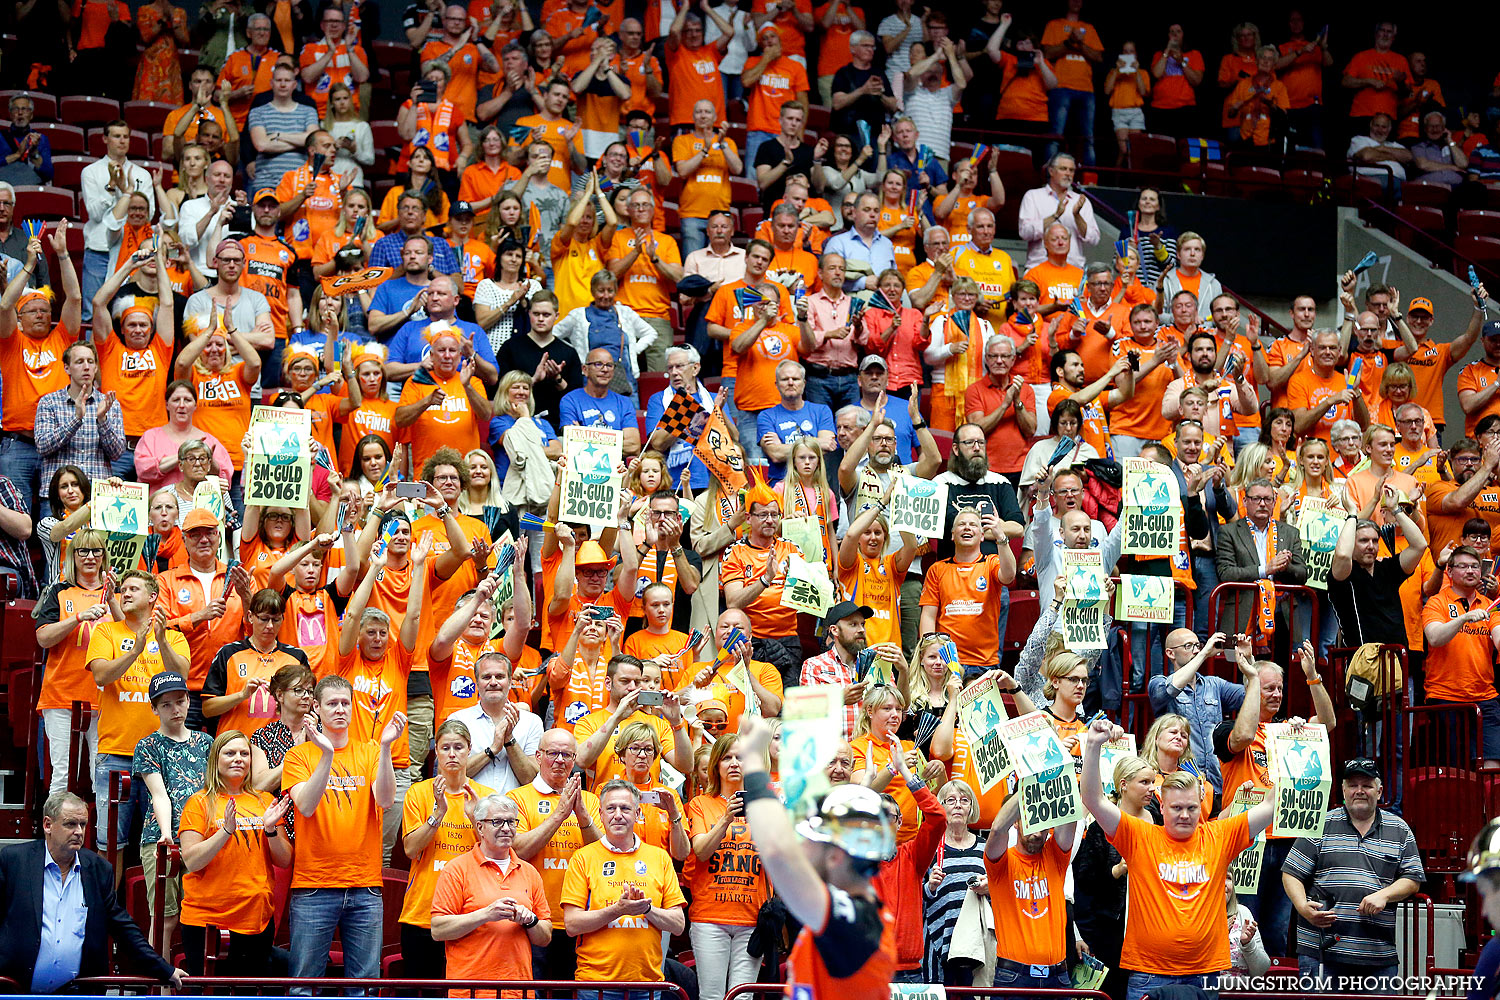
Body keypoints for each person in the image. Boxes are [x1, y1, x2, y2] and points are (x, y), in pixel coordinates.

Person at [1081, 716, 1274, 1000]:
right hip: (1148, 974)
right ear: (1162, 804)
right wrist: (1094, 745)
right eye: (1176, 808)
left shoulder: (1220, 835)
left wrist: (1284, 742)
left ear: (1201, 804)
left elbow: (1273, 803)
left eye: (1192, 807)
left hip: (1204, 974)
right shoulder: (1140, 836)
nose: (1184, 815)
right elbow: (1093, 800)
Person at [737, 714, 897, 995]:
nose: (803, 844)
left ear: (835, 856)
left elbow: (777, 852)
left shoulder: (854, 920)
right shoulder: (855, 911)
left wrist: (752, 759)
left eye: (812, 838)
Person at [1214, 637, 1337, 957]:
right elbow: (1241, 737)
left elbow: (1328, 723)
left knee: (1278, 930)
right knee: (1242, 926)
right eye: (1268, 688)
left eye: (1280, 688)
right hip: (1245, 842)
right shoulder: (1227, 728)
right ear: (1251, 688)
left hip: (1287, 840)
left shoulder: (1287, 728)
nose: (1277, 694)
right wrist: (1252, 677)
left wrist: (1312, 676)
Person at [282, 676, 404, 985]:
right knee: (303, 985)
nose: (340, 709)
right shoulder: (299, 756)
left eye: (345, 703)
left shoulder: (372, 752)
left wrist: (388, 747)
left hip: (364, 886)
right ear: (317, 708)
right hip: (314, 886)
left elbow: (386, 799)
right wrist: (326, 755)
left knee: (363, 985)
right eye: (332, 703)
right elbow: (306, 807)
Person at [0, 791, 184, 992]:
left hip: (78, 992)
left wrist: (164, 969)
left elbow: (123, 928)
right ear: (47, 825)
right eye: (70, 824)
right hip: (16, 990)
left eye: (83, 824)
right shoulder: (14, 861)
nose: (79, 831)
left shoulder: (98, 869)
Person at [1281, 758, 1424, 985]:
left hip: (1378, 955)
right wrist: (1302, 907)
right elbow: (1291, 873)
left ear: (1379, 792)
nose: (1359, 791)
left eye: (1366, 785)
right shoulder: (1321, 824)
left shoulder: (1399, 829)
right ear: (1343, 790)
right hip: (1321, 952)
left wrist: (1384, 895)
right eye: (1353, 785)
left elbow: (1413, 878)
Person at [87, 571, 191, 855]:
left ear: (153, 597)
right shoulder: (106, 631)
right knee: (110, 843)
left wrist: (161, 641)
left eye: (134, 589)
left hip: (162, 752)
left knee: (160, 841)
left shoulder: (174, 637)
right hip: (115, 752)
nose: (126, 594)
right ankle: (106, 902)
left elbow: (181, 677)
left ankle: (153, 901)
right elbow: (101, 675)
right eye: (123, 589)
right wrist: (136, 650)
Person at [177, 729, 293, 977]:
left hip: (256, 919)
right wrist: (225, 831)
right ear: (215, 761)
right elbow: (192, 860)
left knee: (250, 993)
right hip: (207, 921)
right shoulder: (199, 802)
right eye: (229, 753)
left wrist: (271, 828)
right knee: (210, 995)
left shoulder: (264, 801)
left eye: (244, 753)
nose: (238, 758)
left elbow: (284, 859)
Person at [561, 779, 687, 996]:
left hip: (647, 985)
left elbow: (678, 925)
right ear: (600, 814)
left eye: (625, 808)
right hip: (596, 985)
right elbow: (572, 925)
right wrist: (618, 910)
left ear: (638, 814)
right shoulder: (583, 858)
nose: (617, 815)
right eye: (611, 808)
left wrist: (646, 910)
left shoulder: (660, 857)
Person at [507, 729, 603, 982]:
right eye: (553, 753)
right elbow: (519, 851)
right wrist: (559, 814)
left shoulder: (591, 801)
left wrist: (582, 816)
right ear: (538, 756)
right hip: (533, 918)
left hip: (580, 919)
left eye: (567, 754)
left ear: (574, 760)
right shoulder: (517, 798)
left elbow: (604, 857)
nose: (560, 760)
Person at [430, 792, 553, 985]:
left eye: (511, 822)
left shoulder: (529, 872)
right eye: (497, 822)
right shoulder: (456, 869)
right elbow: (438, 930)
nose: (506, 828)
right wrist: (486, 914)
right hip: (470, 990)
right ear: (480, 827)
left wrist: (530, 920)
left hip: (517, 990)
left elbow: (545, 937)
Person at [131, 671, 213, 954]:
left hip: (200, 836)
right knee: (165, 918)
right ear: (154, 708)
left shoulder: (206, 743)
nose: (175, 709)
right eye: (166, 704)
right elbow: (159, 795)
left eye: (180, 701)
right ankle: (161, 987)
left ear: (189, 701)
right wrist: (167, 835)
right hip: (159, 837)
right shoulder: (148, 745)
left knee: (201, 915)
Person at [984, 774, 1078, 991]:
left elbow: (1070, 815)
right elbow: (998, 829)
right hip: (1015, 976)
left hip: (1058, 975)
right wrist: (1031, 780)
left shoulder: (1055, 857)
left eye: (1044, 826)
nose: (1037, 833)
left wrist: (1054, 773)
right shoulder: (1002, 862)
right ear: (1016, 822)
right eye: (1031, 823)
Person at [920, 509, 1016, 674]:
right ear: (952, 535)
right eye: (961, 524)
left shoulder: (991, 563)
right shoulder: (937, 569)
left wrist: (1001, 536)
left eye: (973, 525)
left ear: (982, 536)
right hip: (946, 662)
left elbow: (1008, 576)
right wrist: (930, 653)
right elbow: (928, 615)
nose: (967, 528)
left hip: (984, 663)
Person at [1147, 631, 1241, 794]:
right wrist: (1204, 654)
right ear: (1170, 653)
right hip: (1183, 785)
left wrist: (1248, 662)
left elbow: (1253, 695)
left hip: (1218, 782)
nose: (1196, 650)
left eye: (1198, 646)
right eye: (1188, 646)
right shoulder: (1158, 682)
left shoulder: (1214, 684)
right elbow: (1170, 689)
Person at [247, 65, 322, 194]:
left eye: (287, 81)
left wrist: (277, 135)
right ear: (271, 83)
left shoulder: (308, 111)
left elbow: (313, 140)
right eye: (278, 80)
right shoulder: (257, 112)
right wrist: (301, 143)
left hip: (300, 182)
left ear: (294, 84)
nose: (282, 84)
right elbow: (261, 145)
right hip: (266, 183)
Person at [1341, 21, 1407, 132]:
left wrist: (1400, 82)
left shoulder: (1401, 60)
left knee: (1385, 149)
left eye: (1389, 32)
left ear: (1394, 37)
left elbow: (1407, 93)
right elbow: (1345, 81)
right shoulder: (1361, 56)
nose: (1385, 34)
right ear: (1376, 34)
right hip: (1361, 115)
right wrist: (1368, 81)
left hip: (1388, 118)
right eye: (1382, 30)